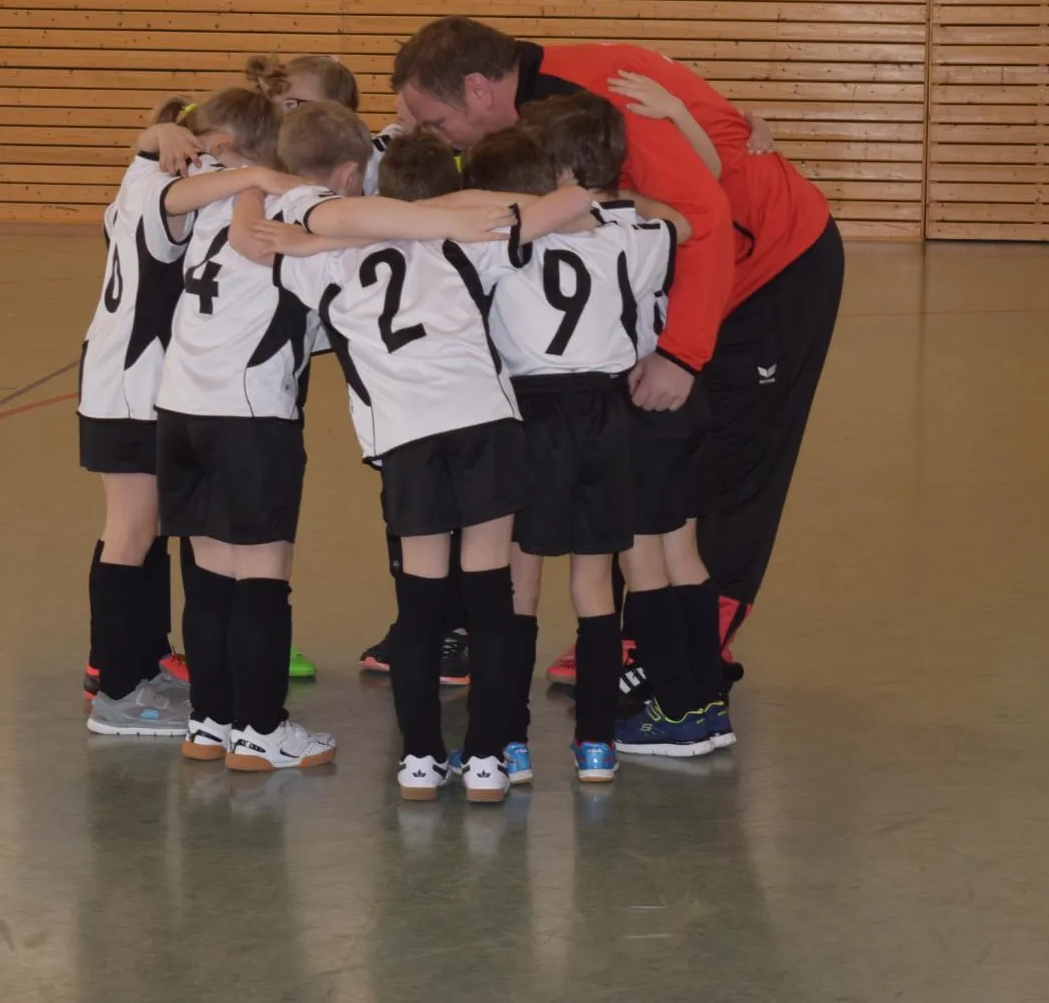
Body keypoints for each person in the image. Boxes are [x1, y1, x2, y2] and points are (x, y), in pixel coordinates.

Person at [395, 18, 846, 744]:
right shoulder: (551, 111)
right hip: (681, 276)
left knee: (718, 481)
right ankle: (654, 658)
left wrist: (682, 354)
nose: (435, 137)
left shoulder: (598, 97)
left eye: (435, 122)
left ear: (479, 89)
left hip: (771, 267)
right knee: (647, 515)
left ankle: (691, 672)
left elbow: (702, 215)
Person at [160, 96, 513, 773]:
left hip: (178, 406)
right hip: (248, 413)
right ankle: (260, 729)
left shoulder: (219, 202)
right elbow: (332, 237)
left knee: (208, 573)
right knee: (262, 574)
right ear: (348, 177)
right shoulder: (300, 218)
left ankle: (210, 721)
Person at [249, 120, 592, 803]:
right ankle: (487, 758)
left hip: (407, 438)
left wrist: (320, 233)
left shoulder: (322, 260)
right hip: (484, 425)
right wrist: (451, 211)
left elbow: (256, 242)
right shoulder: (464, 241)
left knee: (420, 605)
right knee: (490, 599)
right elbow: (573, 203)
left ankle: (420, 759)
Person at [461, 121, 680, 784]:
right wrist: (602, 204)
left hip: (530, 413)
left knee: (518, 584)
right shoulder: (625, 237)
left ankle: (511, 742)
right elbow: (679, 225)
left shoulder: (497, 241)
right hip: (603, 412)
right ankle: (596, 743)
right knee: (593, 584)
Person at [79, 93, 302, 739]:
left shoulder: (144, 172)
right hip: (132, 381)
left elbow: (159, 155)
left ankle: (140, 664)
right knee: (129, 530)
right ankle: (117, 689)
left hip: (124, 375)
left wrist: (158, 134)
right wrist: (258, 176)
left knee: (142, 530)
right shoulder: (165, 187)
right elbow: (180, 192)